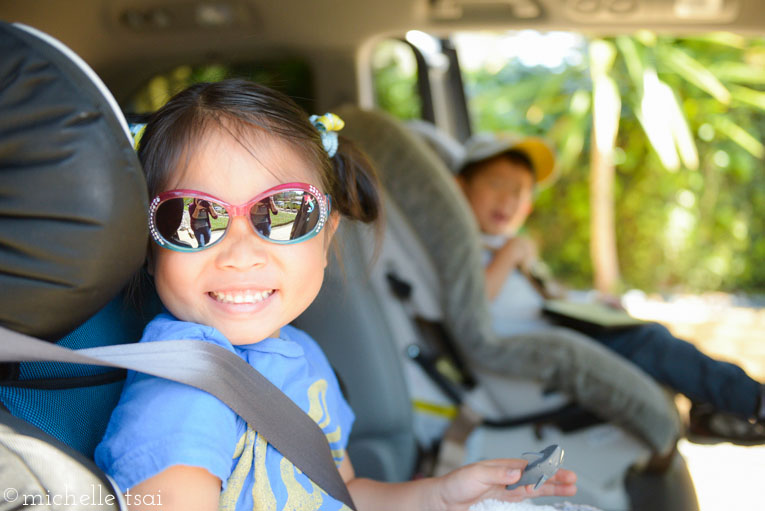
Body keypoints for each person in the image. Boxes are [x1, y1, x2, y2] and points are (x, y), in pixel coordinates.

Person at [94, 80, 577, 511]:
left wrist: (439, 495)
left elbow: (340, 493)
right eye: (193, 219)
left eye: (284, 213)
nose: (241, 254)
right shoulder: (186, 392)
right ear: (151, 245)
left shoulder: (303, 357)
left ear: (327, 239)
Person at [455, 133, 765, 443]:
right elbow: (470, 302)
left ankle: (709, 409)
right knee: (651, 342)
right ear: (459, 186)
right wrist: (509, 256)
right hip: (540, 348)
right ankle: (752, 401)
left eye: (519, 191)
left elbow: (546, 297)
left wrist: (590, 303)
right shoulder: (463, 245)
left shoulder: (506, 244)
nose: (507, 200)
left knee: (652, 336)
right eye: (495, 184)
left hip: (562, 328)